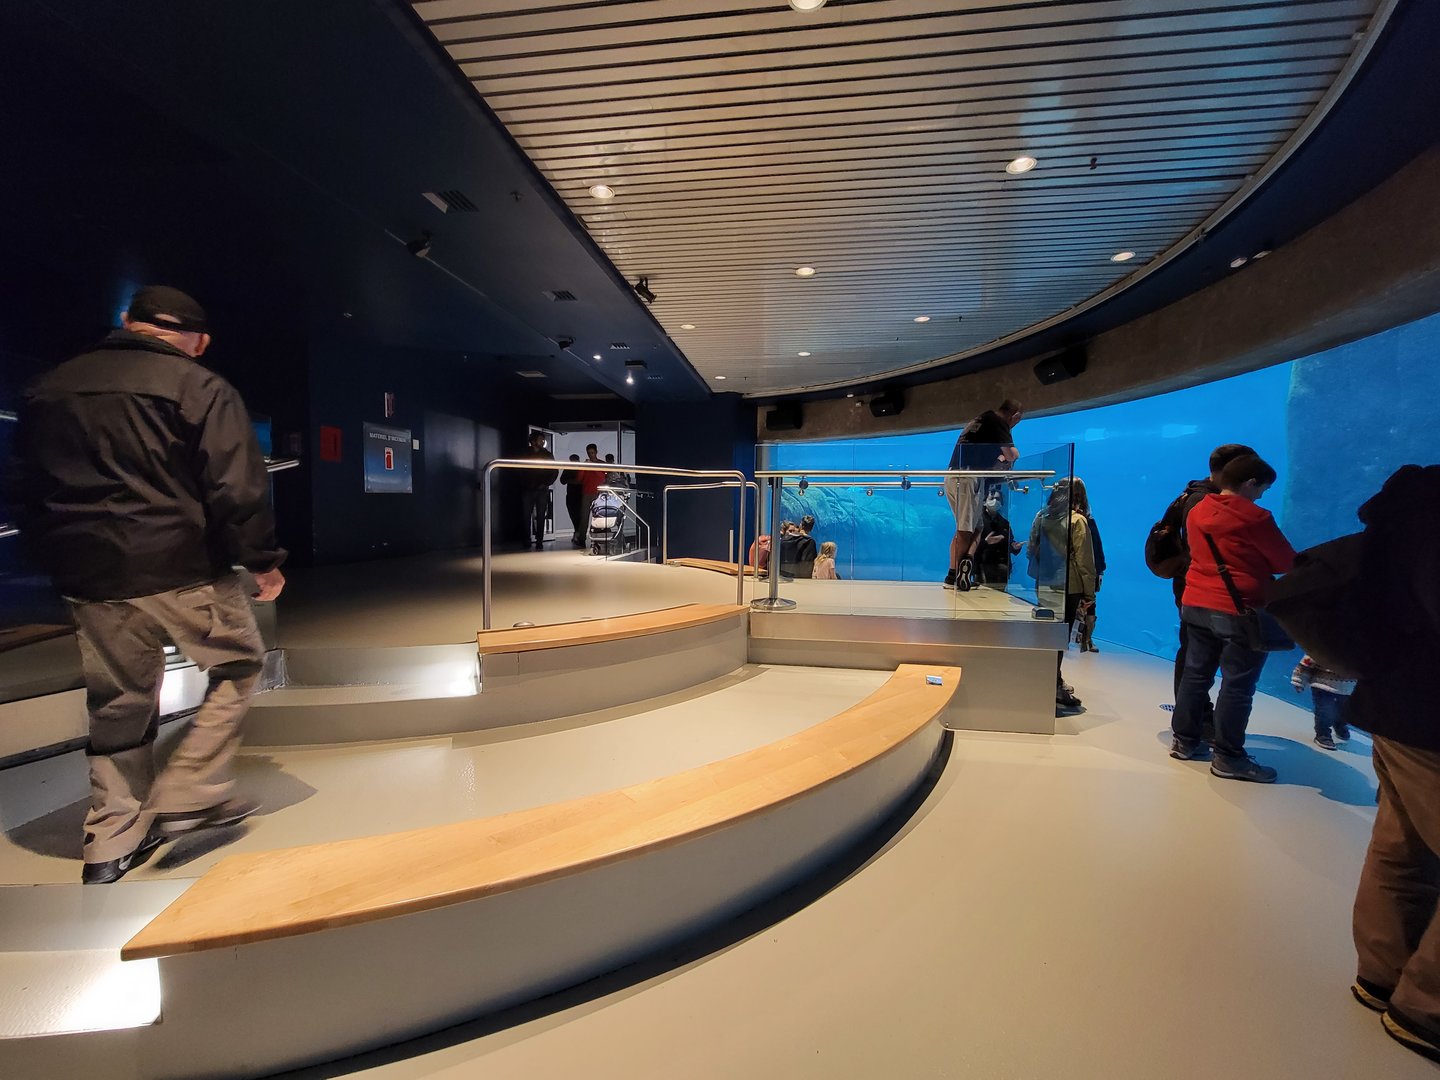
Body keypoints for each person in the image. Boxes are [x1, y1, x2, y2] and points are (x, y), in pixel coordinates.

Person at [7, 286, 285, 884]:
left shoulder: (49, 387)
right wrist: (261, 560)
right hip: (179, 564)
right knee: (239, 664)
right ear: (199, 342)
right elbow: (235, 484)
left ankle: (109, 841)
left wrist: (57, 559)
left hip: (89, 573)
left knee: (119, 701)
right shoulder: (199, 387)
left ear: (126, 322)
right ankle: (190, 791)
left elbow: (25, 486)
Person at [1341, 465, 1440, 1062]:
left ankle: (1381, 975)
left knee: (1400, 847)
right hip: (1430, 714)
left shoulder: (1401, 516)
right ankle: (1428, 1008)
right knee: (1401, 847)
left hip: (1394, 703)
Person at [1170, 453, 1295, 781]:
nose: (1262, 495)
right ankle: (1228, 757)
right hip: (1238, 609)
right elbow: (1285, 562)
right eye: (1263, 488)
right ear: (1250, 482)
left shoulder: (1197, 509)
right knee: (1238, 684)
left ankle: (1184, 741)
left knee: (1195, 675)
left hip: (1195, 602)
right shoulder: (1255, 518)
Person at [1158, 444, 1257, 705]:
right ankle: (1193, 717)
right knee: (1195, 658)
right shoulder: (1205, 501)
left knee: (1194, 655)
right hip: (1199, 591)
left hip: (1194, 589)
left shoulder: (1195, 495)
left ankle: (1191, 716)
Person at [1028, 477, 1096, 713]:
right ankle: (1054, 686)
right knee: (1059, 640)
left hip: (1044, 583)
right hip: (1069, 587)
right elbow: (1085, 562)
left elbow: (1031, 549)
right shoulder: (1078, 521)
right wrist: (1089, 594)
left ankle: (1045, 682)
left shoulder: (1041, 516)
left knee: (1045, 637)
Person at [945, 399, 1022, 591]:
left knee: (976, 526)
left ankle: (963, 564)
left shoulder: (982, 419)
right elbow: (1012, 455)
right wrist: (1008, 458)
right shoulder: (998, 422)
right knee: (965, 530)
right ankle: (954, 577)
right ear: (1015, 416)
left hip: (953, 475)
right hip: (968, 477)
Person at [1291, 655, 1353, 750]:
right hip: (1322, 684)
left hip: (1349, 688)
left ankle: (1339, 724)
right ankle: (1323, 734)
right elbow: (1307, 662)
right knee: (1324, 712)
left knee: (1344, 710)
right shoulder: (1324, 649)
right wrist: (1299, 679)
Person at [975, 488, 1022, 587]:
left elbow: (1009, 543)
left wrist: (1014, 547)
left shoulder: (1005, 523)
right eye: (992, 498)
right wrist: (986, 542)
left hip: (1002, 567)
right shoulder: (978, 521)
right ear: (984, 502)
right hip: (982, 567)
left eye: (998, 499)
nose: (995, 501)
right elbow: (970, 544)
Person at [518, 431, 557, 548]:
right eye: (541, 439)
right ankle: (526, 539)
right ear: (533, 441)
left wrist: (546, 483)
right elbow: (519, 470)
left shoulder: (547, 455)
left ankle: (539, 540)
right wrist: (524, 483)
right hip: (528, 489)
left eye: (543, 440)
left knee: (541, 515)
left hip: (542, 489)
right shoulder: (525, 454)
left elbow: (554, 471)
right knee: (526, 515)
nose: (543, 442)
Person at [1076, 499, 1106, 652]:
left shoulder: (1089, 521)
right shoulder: (1077, 521)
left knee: (1090, 603)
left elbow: (1097, 546)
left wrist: (1100, 569)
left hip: (1090, 569)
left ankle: (1087, 638)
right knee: (1083, 603)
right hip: (1079, 569)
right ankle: (1082, 637)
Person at [579, 443, 605, 541]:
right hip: (586, 493)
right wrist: (584, 467)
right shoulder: (586, 464)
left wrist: (592, 466)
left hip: (598, 494)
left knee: (598, 516)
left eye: (592, 453)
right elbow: (579, 478)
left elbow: (601, 477)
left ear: (596, 452)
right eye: (589, 453)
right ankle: (582, 538)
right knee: (584, 517)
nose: (591, 455)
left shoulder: (601, 463)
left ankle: (596, 537)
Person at [780, 513, 818, 578]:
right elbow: (808, 563)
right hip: (799, 577)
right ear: (811, 528)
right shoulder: (810, 542)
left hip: (784, 575)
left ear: (801, 525)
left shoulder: (784, 540)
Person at [558, 454, 584, 547]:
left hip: (578, 495)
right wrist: (574, 481)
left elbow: (563, 480)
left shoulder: (578, 468)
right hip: (573, 495)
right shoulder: (570, 468)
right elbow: (562, 480)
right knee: (575, 515)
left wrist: (572, 481)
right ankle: (578, 532)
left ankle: (578, 533)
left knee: (577, 515)